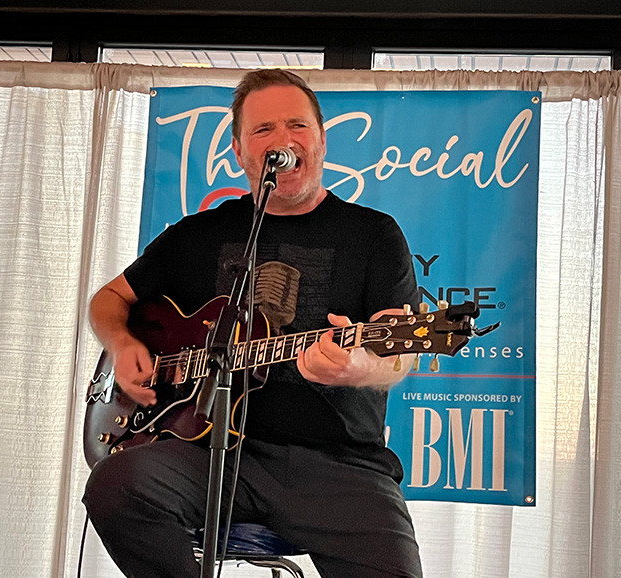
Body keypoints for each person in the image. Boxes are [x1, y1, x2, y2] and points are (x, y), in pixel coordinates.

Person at [83, 69, 423, 578]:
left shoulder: (374, 235)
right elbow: (108, 300)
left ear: (321, 140)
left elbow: (401, 353)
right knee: (114, 485)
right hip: (208, 456)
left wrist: (358, 368)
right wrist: (121, 341)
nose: (282, 139)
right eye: (264, 129)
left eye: (297, 125)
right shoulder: (198, 234)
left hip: (339, 466)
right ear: (240, 151)